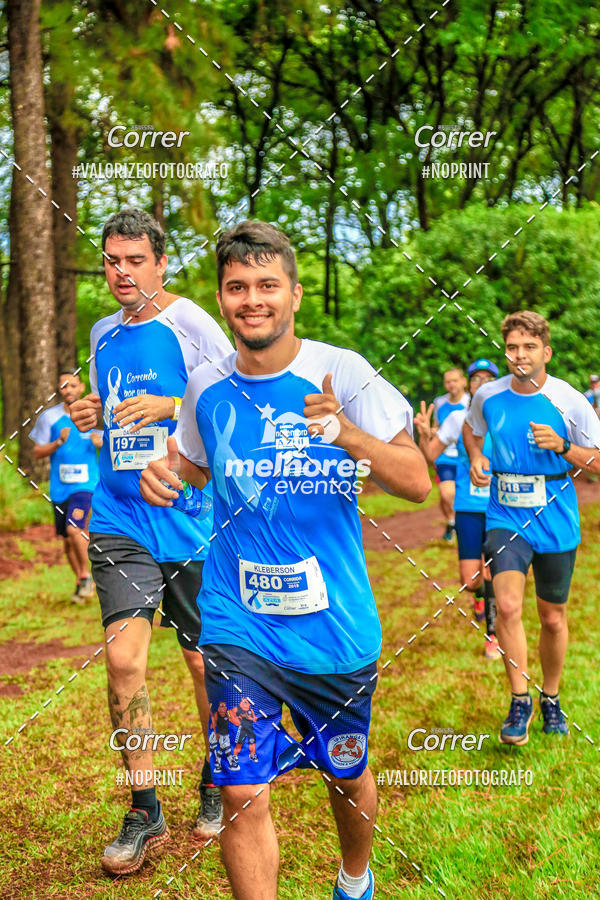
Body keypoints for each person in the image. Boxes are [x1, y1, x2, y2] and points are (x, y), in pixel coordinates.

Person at [140, 219, 431, 900]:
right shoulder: (206, 387)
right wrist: (167, 472)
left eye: (267, 284)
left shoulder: (343, 371)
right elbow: (195, 463)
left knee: (345, 772)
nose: (253, 298)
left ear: (294, 294)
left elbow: (415, 481)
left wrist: (345, 431)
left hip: (334, 628)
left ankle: (354, 877)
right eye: (237, 286)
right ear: (222, 298)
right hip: (239, 622)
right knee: (241, 788)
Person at [70, 208, 232, 874]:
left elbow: (233, 395)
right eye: (112, 260)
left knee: (202, 664)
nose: (122, 272)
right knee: (124, 663)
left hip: (191, 518)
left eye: (135, 260)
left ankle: (218, 781)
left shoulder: (189, 321)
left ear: (161, 264)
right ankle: (144, 807)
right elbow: (113, 426)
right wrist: (91, 419)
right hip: (120, 516)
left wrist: (171, 407)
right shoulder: (102, 332)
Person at [463, 311, 600, 745]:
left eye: (528, 347)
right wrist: (477, 458)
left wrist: (562, 446)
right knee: (505, 606)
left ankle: (551, 697)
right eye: (512, 347)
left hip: (556, 514)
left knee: (552, 618)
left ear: (546, 351)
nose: (519, 356)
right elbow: (471, 431)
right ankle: (519, 699)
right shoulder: (487, 395)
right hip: (505, 514)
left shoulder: (569, 400)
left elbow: (596, 460)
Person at [415, 358, 500, 659]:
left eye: (488, 378)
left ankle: (493, 636)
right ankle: (478, 596)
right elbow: (431, 455)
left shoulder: (505, 417)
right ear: (469, 385)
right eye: (476, 378)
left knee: (492, 573)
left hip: (500, 507)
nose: (481, 383)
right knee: (470, 579)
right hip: (467, 504)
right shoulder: (458, 419)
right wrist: (425, 433)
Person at [29, 370, 102, 603]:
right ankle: (82, 580)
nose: (68, 390)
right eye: (63, 386)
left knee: (74, 529)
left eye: (72, 386)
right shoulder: (49, 418)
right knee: (68, 541)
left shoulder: (94, 416)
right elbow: (37, 452)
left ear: (81, 388)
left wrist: (101, 442)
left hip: (86, 485)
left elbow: (113, 444)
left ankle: (87, 576)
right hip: (59, 489)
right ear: (59, 390)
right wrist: (58, 441)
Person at [432, 369, 470, 540]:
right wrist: (431, 432)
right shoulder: (439, 403)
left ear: (463, 381)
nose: (451, 385)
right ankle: (451, 521)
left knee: (460, 493)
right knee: (446, 493)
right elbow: (437, 426)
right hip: (445, 456)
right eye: (448, 381)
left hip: (465, 456)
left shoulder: (471, 402)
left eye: (455, 381)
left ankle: (459, 524)